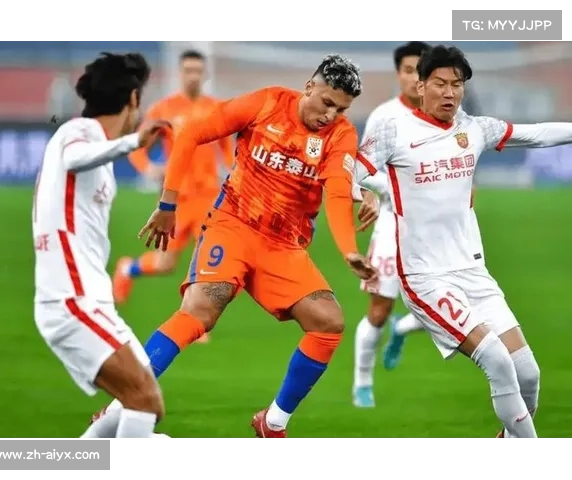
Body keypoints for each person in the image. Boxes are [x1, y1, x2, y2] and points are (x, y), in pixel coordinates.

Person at [134, 54, 376, 439]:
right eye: (327, 103)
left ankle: (273, 422)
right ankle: (123, 405)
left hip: (283, 246)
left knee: (328, 323)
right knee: (201, 309)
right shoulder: (267, 103)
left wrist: (349, 250)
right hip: (233, 225)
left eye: (341, 109)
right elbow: (192, 133)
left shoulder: (341, 135)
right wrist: (167, 205)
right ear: (309, 87)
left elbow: (337, 192)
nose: (331, 115)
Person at [354, 44, 565, 439]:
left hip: (473, 272)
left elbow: (536, 134)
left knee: (528, 374)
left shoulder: (475, 129)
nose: (449, 92)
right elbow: (350, 170)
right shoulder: (394, 131)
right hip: (426, 278)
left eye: (457, 84)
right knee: (497, 361)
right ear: (421, 85)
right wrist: (364, 192)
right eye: (440, 83)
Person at [32, 52, 171, 440]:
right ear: (133, 99)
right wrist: (133, 142)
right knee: (146, 401)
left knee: (137, 393)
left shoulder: (90, 143)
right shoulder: (79, 132)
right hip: (71, 300)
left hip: (88, 299)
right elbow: (75, 157)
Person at [113, 51, 235, 346]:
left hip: (209, 198)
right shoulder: (163, 110)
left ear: (205, 74)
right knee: (166, 263)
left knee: (208, 260)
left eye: (197, 71)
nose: (193, 76)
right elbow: (138, 147)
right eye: (188, 70)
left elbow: (227, 149)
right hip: (176, 200)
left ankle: (197, 321)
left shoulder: (216, 108)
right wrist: (148, 167)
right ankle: (128, 268)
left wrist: (234, 173)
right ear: (179, 74)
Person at [353, 41, 430, 408]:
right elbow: (362, 169)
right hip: (391, 224)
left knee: (446, 307)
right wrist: (381, 191)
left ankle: (403, 327)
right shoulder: (384, 117)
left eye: (421, 71)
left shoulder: (447, 114)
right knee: (379, 310)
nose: (415, 78)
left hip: (434, 228)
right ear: (399, 73)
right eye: (408, 70)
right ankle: (362, 384)